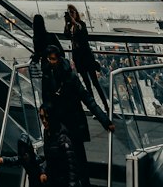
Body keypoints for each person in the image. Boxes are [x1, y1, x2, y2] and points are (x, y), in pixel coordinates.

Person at [40, 42, 114, 183]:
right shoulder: (47, 76)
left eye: (54, 59)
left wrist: (105, 120)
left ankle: (84, 183)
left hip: (73, 123)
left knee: (79, 160)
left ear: (60, 59)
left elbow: (87, 98)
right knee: (66, 162)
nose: (52, 62)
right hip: (59, 124)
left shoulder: (69, 77)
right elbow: (46, 101)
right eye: (49, 59)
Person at [0, 106, 86, 187]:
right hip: (55, 180)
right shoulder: (47, 133)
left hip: (63, 181)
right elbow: (48, 159)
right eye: (41, 117)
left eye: (47, 117)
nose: (44, 121)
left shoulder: (63, 139)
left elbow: (71, 167)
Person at [63, 4, 104, 105]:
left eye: (72, 12)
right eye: (69, 13)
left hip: (86, 57)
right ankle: (95, 107)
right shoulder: (70, 26)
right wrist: (66, 23)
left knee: (95, 82)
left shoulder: (81, 24)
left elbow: (83, 34)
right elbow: (66, 35)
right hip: (78, 58)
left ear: (76, 13)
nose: (71, 14)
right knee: (87, 83)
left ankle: (106, 106)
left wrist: (73, 22)